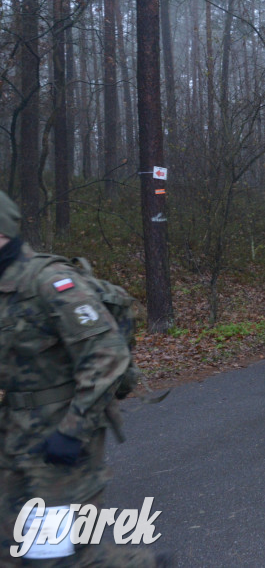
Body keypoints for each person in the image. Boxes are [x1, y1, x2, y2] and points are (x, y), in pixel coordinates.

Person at [0, 191, 162, 566]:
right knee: (10, 548)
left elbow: (107, 355)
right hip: (13, 429)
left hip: (61, 429)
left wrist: (72, 430)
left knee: (54, 554)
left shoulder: (50, 282)